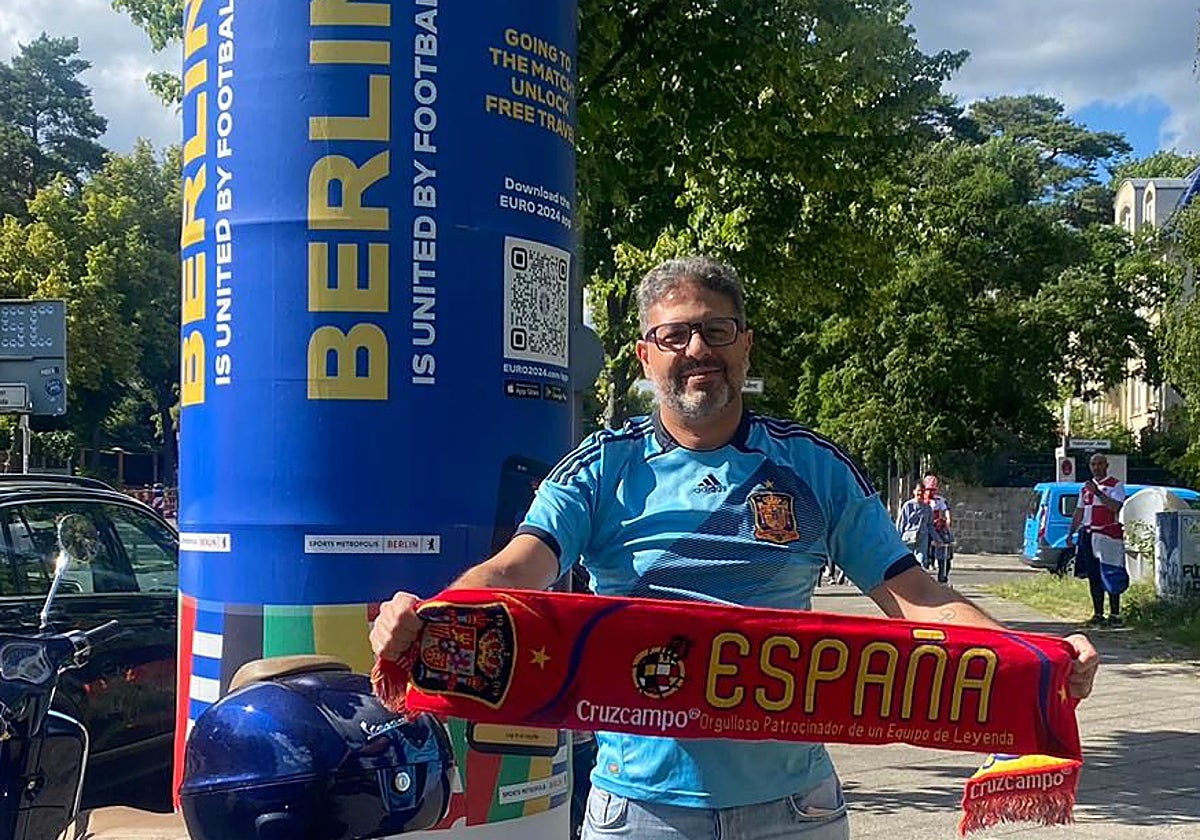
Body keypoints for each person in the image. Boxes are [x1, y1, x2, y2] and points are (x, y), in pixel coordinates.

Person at [372, 256, 1099, 840]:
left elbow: (917, 595)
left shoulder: (813, 467)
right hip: (639, 814)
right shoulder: (601, 466)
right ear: (644, 356)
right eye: (675, 335)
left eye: (717, 332)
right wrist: (433, 616)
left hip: (796, 809)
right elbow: (517, 568)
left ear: (745, 343)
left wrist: (1037, 660)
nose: (698, 351)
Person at [1066, 453, 1127, 627]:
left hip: (1108, 535)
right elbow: (1079, 511)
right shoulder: (1085, 488)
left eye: (1100, 464)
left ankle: (1115, 614)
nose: (1096, 467)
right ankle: (1098, 613)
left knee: (1111, 572)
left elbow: (1115, 507)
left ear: (1106, 465)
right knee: (1093, 575)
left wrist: (1098, 493)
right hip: (1089, 534)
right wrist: (1071, 533)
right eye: (1093, 464)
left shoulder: (1115, 485)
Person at [923, 473, 954, 583]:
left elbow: (946, 510)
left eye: (933, 489)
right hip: (925, 529)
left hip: (937, 527)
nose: (931, 492)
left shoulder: (940, 500)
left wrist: (947, 520)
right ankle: (927, 560)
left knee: (945, 544)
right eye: (928, 489)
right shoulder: (921, 500)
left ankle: (943, 573)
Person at [895, 484, 933, 570]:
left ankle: (918, 582)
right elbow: (901, 524)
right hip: (908, 538)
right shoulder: (908, 506)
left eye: (923, 491)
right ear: (914, 491)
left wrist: (937, 539)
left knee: (921, 562)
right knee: (907, 563)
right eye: (918, 490)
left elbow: (930, 526)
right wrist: (897, 539)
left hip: (922, 538)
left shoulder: (928, 508)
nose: (920, 493)